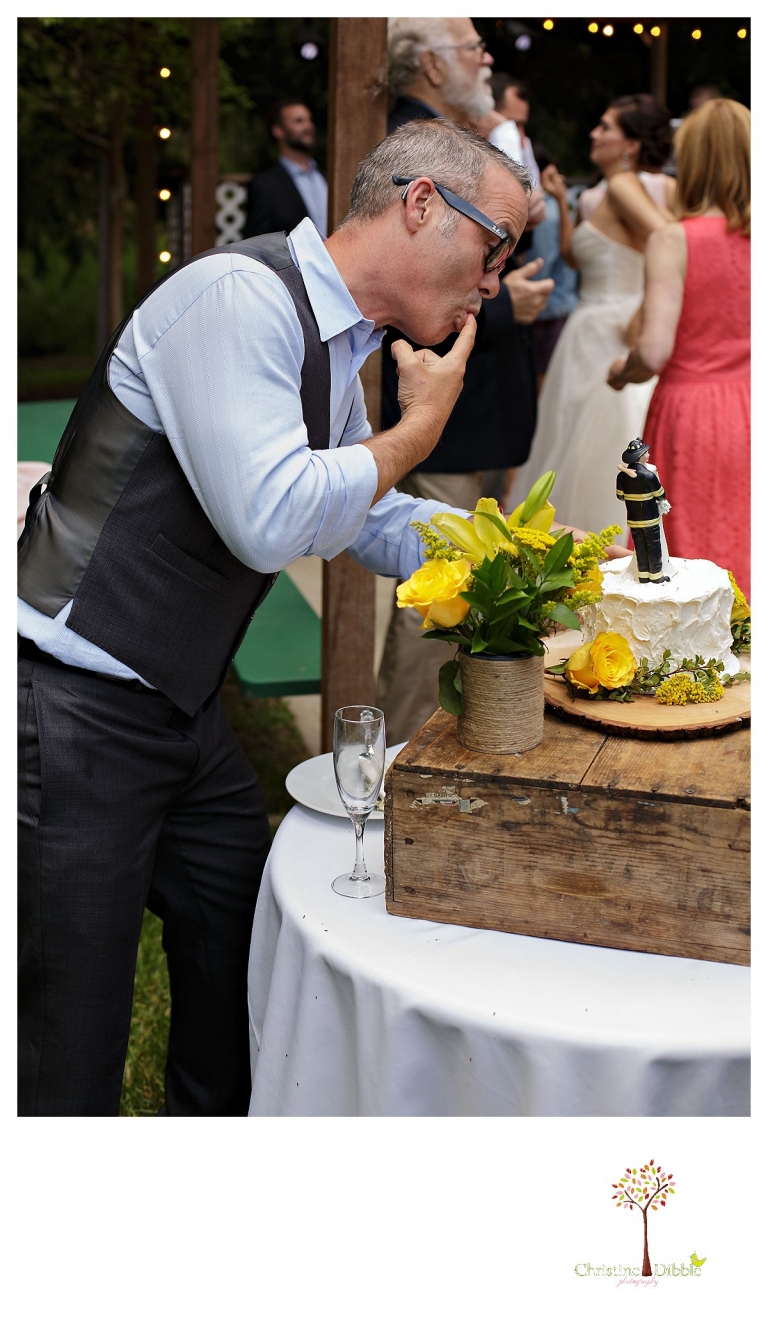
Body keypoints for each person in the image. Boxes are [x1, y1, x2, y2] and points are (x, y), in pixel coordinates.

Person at [17, 118, 533, 1117]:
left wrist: (512, 555)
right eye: (495, 245)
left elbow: (361, 510)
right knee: (66, 1032)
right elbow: (273, 516)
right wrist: (416, 429)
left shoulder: (332, 337)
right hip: (73, 708)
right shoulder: (236, 298)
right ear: (421, 203)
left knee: (238, 954)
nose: (494, 283)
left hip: (179, 706)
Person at [377, 17, 552, 744]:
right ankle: (399, 763)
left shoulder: (457, 135)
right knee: (438, 596)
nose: (487, 56)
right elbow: (410, 286)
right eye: (471, 47)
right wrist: (507, 303)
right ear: (430, 66)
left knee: (460, 587)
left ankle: (429, 751)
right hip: (446, 413)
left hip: (473, 412)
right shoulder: (409, 145)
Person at [507, 94, 675, 538]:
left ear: (631, 143)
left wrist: (648, 305)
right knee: (569, 445)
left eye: (605, 126)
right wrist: (563, 204)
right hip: (585, 330)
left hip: (615, 331)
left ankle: (604, 551)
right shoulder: (597, 195)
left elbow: (671, 241)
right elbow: (578, 259)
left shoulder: (626, 187)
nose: (593, 133)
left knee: (606, 448)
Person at [607, 99, 750, 597]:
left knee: (682, 566)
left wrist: (621, 372)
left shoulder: (675, 239)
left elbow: (653, 352)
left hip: (693, 415)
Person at [525, 142, 579, 385]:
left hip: (546, 311)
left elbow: (539, 265)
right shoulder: (564, 206)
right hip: (561, 306)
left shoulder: (545, 214)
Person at [243, 101, 328, 238]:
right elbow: (257, 241)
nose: (309, 126)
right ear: (278, 130)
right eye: (299, 121)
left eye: (309, 120)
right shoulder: (265, 185)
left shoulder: (326, 177)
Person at [615, 438, 670, 584]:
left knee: (640, 547)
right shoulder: (649, 475)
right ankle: (656, 575)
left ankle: (643, 575)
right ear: (640, 457)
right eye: (646, 453)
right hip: (650, 518)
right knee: (653, 546)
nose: (648, 455)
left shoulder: (622, 476)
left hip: (634, 519)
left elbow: (620, 496)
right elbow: (661, 495)